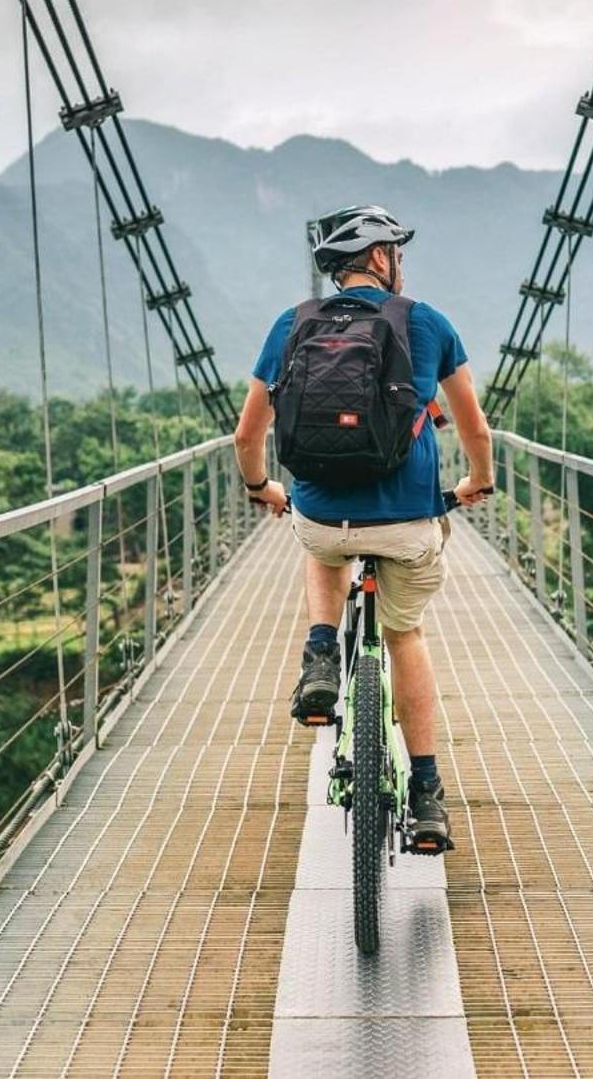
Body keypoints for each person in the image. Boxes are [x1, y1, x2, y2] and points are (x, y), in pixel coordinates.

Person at [233, 205, 494, 851]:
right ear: (380, 257)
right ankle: (427, 794)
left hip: (324, 518)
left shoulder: (291, 323)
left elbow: (246, 434)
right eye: (395, 251)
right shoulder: (427, 322)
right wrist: (476, 481)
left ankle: (321, 651)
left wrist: (260, 486)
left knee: (316, 530)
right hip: (408, 523)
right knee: (404, 633)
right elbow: (474, 431)